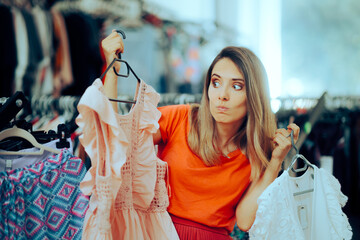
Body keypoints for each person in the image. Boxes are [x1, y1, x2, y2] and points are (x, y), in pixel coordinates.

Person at [101, 30, 300, 240]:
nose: (222, 95)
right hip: (159, 233)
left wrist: (276, 161)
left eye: (236, 86)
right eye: (216, 82)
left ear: (254, 96)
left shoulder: (257, 148)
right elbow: (114, 141)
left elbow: (244, 221)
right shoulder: (180, 118)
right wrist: (112, 69)